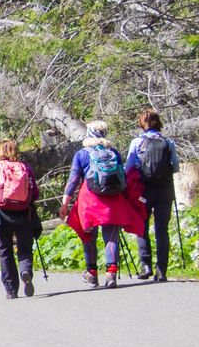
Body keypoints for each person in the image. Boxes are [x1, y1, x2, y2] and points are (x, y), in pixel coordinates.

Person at [62, 120, 147, 288]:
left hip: (90, 199)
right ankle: (111, 273)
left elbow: (73, 179)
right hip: (113, 199)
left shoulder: (82, 154)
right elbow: (122, 176)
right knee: (112, 236)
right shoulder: (113, 152)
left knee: (88, 235)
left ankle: (91, 272)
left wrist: (65, 202)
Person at [0, 139, 39, 298]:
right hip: (24, 214)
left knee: (5, 251)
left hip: (2, 215)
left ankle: (11, 290)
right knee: (24, 248)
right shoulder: (26, 168)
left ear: (0, 152)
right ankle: (25, 271)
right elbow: (35, 194)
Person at [127, 109, 181, 282]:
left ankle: (145, 265)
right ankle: (161, 270)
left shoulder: (137, 142)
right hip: (165, 191)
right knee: (162, 230)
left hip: (144, 191)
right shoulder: (168, 142)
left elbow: (129, 167)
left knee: (142, 227)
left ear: (142, 124)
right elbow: (176, 167)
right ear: (158, 122)